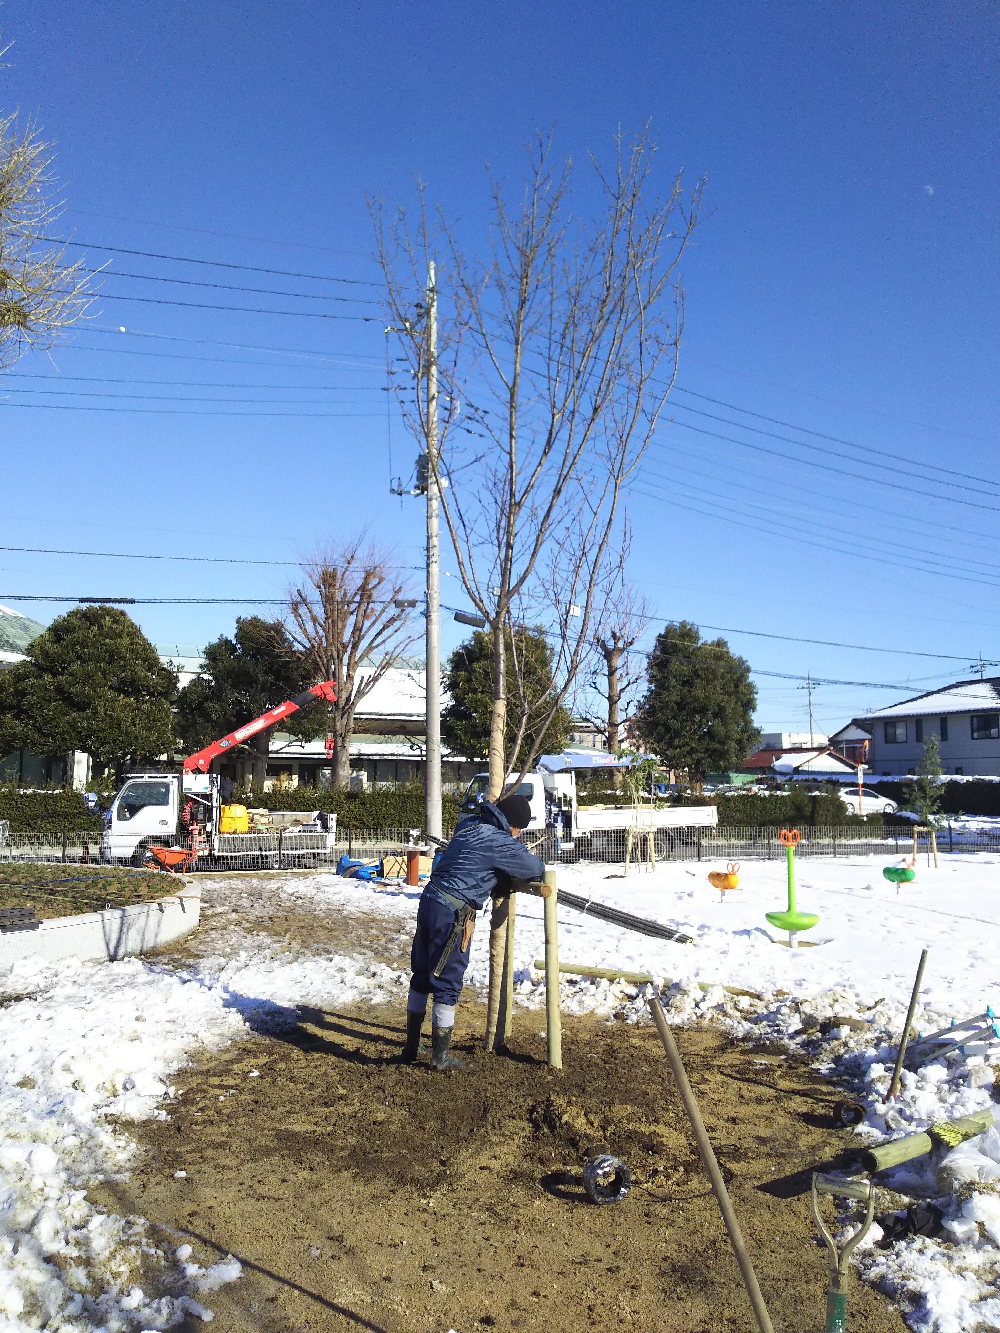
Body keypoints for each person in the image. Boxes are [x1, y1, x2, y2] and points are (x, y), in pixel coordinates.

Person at [401, 792, 545, 1071]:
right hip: (453, 911)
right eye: (519, 831)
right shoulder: (497, 839)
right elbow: (533, 868)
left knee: (422, 974)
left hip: (430, 899)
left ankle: (412, 1044)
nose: (516, 836)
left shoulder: (469, 826)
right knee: (447, 979)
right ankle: (440, 1056)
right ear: (514, 825)